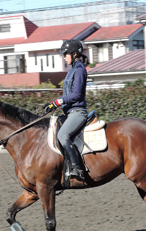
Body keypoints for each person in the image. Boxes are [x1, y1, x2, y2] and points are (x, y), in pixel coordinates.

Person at [45, 40, 88, 181]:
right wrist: (54, 104)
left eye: (66, 54)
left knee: (63, 135)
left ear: (75, 54)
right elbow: (67, 95)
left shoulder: (80, 70)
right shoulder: (71, 71)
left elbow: (76, 95)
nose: (64, 57)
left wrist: (58, 101)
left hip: (78, 112)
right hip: (68, 112)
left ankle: (77, 168)